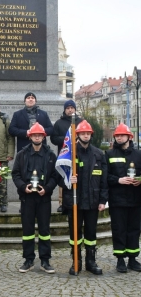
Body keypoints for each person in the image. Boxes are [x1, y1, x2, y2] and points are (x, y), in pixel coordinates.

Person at [60, 120, 108, 275]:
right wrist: (68, 180)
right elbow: (59, 175)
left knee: (91, 234)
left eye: (88, 133)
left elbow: (104, 180)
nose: (85, 135)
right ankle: (76, 262)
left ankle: (90, 261)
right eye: (83, 133)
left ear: (91, 135)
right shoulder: (70, 153)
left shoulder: (99, 154)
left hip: (93, 202)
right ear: (78, 134)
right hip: (74, 201)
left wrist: (102, 200)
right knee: (75, 235)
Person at [12, 122, 58, 273]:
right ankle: (28, 260)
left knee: (45, 230)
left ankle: (45, 260)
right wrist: (22, 187)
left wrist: (47, 188)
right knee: (28, 231)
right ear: (30, 136)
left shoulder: (51, 155)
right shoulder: (22, 155)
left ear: (43, 137)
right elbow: (16, 174)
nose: (37, 137)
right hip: (27, 198)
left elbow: (55, 176)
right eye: (34, 135)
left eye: (40, 135)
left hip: (44, 198)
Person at [105, 123, 141, 273]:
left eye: (122, 135)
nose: (119, 138)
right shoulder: (109, 154)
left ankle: (133, 259)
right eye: (117, 136)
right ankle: (120, 259)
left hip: (136, 199)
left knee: (134, 229)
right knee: (119, 229)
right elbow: (105, 176)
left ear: (129, 136)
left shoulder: (139, 155)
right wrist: (118, 180)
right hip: (117, 199)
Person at [50, 100, 83, 212]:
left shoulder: (81, 122)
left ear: (75, 109)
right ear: (64, 110)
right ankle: (61, 202)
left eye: (72, 108)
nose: (70, 110)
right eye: (68, 108)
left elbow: (88, 136)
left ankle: (80, 200)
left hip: (80, 156)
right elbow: (53, 138)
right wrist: (67, 140)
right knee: (64, 177)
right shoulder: (59, 123)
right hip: (64, 155)